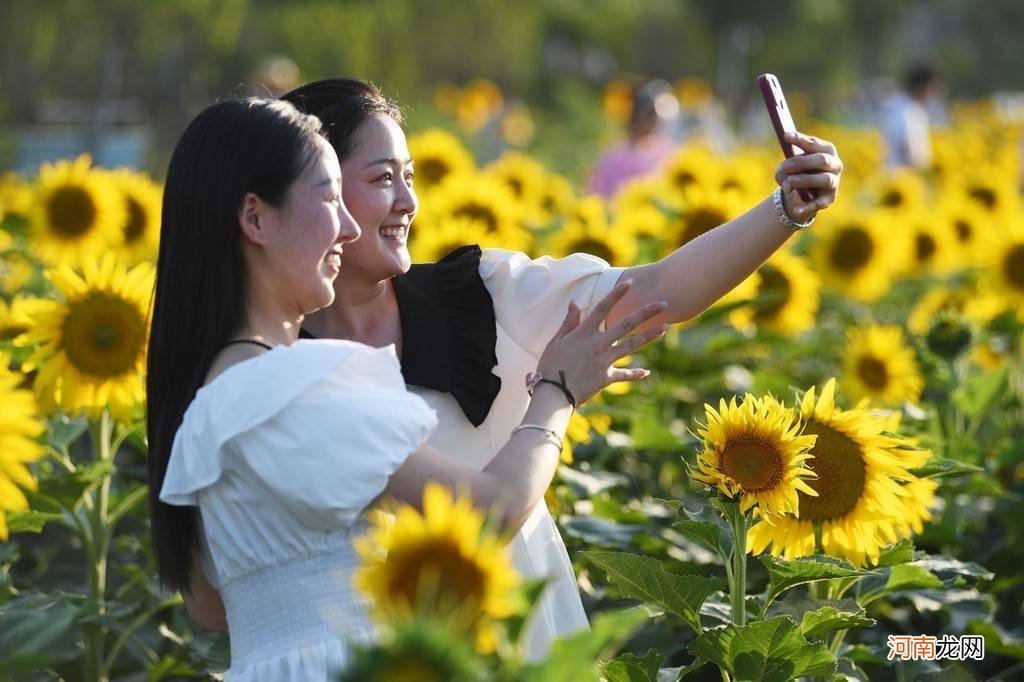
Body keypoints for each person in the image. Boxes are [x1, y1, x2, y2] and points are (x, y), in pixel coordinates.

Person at [274, 78, 843, 659]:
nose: (407, 202)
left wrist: (785, 210)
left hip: (527, 635)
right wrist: (556, 388)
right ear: (313, 193)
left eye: (410, 176)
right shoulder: (277, 371)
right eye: (381, 179)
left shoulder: (483, 296)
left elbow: (658, 292)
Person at [146, 97, 667, 680]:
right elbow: (489, 512)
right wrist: (557, 389)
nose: (346, 227)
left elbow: (212, 608)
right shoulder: (303, 382)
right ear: (256, 218)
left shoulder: (203, 404)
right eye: (327, 198)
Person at [589, 80, 678, 197]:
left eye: (654, 116)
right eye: (649, 116)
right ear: (634, 118)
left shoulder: (666, 153)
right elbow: (597, 191)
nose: (653, 122)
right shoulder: (614, 156)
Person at [880, 62, 941, 169]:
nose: (933, 93)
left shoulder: (896, 104)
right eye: (933, 86)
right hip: (903, 177)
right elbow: (911, 152)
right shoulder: (909, 111)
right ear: (923, 86)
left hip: (892, 175)